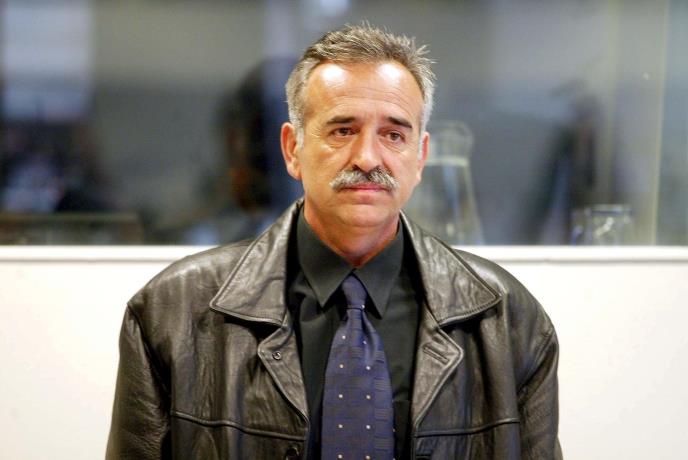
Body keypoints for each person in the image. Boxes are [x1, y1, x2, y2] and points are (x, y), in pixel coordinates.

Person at [107, 24, 562, 459]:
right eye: (343, 130)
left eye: (393, 135)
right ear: (292, 149)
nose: (367, 158)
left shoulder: (510, 321)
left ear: (420, 157)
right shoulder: (171, 314)